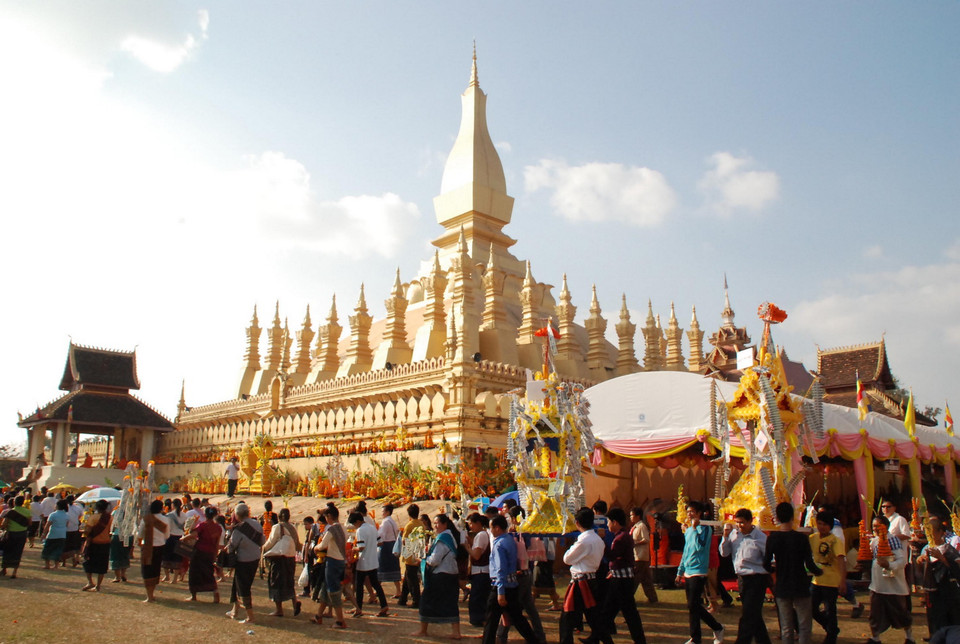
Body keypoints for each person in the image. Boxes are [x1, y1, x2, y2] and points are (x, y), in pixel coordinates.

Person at [584, 507, 647, 644]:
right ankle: (594, 638)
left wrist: (601, 541)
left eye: (609, 522)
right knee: (610, 613)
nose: (607, 525)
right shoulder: (623, 536)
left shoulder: (620, 538)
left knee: (625, 614)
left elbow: (612, 556)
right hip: (620, 579)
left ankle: (596, 638)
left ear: (615, 522)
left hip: (621, 582)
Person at [763, 501, 822, 644]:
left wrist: (773, 570)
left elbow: (765, 563)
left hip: (782, 584)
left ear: (777, 517)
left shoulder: (772, 538)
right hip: (800, 583)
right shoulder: (801, 538)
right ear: (792, 516)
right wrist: (820, 572)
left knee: (786, 626)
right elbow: (809, 563)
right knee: (804, 624)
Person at [482, 514, 539, 644]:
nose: (490, 531)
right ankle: (533, 640)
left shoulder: (499, 545)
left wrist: (500, 592)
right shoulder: (509, 540)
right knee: (518, 618)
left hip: (501, 586)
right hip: (512, 584)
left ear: (497, 528)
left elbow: (500, 569)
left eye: (491, 528)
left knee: (491, 620)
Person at [719, 508, 770, 644]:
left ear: (750, 521)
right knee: (753, 614)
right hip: (742, 578)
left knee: (748, 614)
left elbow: (770, 558)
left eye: (742, 523)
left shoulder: (760, 538)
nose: (739, 526)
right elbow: (724, 553)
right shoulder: (735, 535)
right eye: (737, 523)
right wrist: (725, 536)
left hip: (757, 578)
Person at [677, 501, 725, 644]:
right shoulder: (688, 530)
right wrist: (680, 571)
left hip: (699, 570)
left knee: (694, 604)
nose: (690, 514)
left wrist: (696, 529)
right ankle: (698, 636)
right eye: (688, 512)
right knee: (693, 606)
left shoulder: (705, 529)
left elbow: (700, 547)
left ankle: (714, 629)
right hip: (688, 570)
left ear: (699, 513)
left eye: (692, 511)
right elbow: (686, 551)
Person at [865, 513, 915, 644]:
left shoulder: (892, 540)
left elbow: (902, 560)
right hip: (877, 585)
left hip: (893, 586)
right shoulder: (874, 541)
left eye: (878, 526)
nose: (875, 528)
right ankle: (875, 638)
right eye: (873, 526)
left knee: (901, 614)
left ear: (886, 526)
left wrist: (889, 565)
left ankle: (909, 637)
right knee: (875, 614)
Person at [412, 513, 462, 639]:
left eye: (437, 523)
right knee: (450, 602)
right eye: (434, 523)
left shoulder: (443, 539)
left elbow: (434, 560)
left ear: (444, 524)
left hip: (441, 575)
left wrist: (422, 560)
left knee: (426, 601)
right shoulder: (450, 536)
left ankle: (423, 630)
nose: (435, 526)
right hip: (450, 574)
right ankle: (456, 632)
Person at [560, 507, 606, 644]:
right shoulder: (598, 539)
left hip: (581, 581)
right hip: (592, 578)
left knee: (567, 617)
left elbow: (567, 559)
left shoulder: (583, 541)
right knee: (593, 617)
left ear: (577, 522)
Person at [918, 517, 960, 638]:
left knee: (947, 618)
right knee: (933, 616)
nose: (930, 535)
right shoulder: (926, 548)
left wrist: (942, 558)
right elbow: (921, 569)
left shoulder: (948, 549)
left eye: (933, 532)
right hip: (932, 590)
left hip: (946, 591)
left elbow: (956, 569)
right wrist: (920, 561)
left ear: (941, 532)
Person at [809, 510, 846, 644]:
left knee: (830, 610)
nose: (822, 527)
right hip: (817, 580)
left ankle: (831, 637)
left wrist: (842, 581)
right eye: (819, 523)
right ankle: (831, 628)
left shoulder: (835, 541)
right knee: (811, 609)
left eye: (825, 524)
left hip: (832, 581)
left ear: (830, 525)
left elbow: (841, 560)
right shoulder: (813, 538)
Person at [226, 502, 264, 624]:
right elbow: (262, 540)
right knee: (237, 584)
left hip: (243, 560)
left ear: (237, 515)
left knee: (243, 587)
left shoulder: (239, 529)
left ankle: (250, 617)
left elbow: (232, 545)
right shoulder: (257, 525)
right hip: (255, 558)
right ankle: (234, 610)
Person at [311, 504, 348, 630]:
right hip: (340, 560)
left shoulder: (331, 529)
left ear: (330, 516)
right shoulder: (343, 528)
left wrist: (315, 547)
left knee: (333, 591)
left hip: (333, 561)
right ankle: (318, 615)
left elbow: (322, 545)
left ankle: (340, 620)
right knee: (326, 588)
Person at [262, 507, 302, 617]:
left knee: (275, 581)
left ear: (279, 517)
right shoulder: (293, 528)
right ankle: (295, 603)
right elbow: (297, 543)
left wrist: (263, 549)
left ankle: (279, 610)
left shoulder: (277, 527)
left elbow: (271, 541)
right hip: (291, 557)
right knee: (289, 581)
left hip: (279, 557)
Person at [351, 510, 390, 617]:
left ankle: (358, 608)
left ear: (358, 521)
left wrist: (353, 549)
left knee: (359, 586)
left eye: (354, 524)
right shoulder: (372, 527)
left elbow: (361, 547)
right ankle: (384, 605)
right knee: (376, 585)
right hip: (373, 561)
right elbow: (380, 542)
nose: (354, 526)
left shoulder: (360, 530)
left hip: (363, 562)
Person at [186, 506, 222, 603]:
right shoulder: (218, 528)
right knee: (209, 573)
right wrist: (215, 554)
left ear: (205, 515)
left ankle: (194, 595)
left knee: (194, 573)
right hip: (210, 553)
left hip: (199, 552)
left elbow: (193, 534)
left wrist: (184, 539)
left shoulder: (202, 525)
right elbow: (217, 543)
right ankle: (215, 593)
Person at [139, 499, 170, 603]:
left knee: (147, 570)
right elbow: (167, 535)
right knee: (155, 569)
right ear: (161, 508)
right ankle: (152, 593)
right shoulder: (165, 520)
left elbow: (140, 534)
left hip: (147, 547)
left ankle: (149, 596)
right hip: (160, 547)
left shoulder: (146, 519)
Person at [81, 499, 112, 591]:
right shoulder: (110, 517)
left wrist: (83, 532)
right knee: (102, 566)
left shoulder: (93, 518)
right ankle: (98, 585)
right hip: (105, 543)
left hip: (93, 544)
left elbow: (88, 531)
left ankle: (90, 582)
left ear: (97, 507)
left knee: (87, 563)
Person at [467, 512, 492, 627]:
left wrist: (467, 547)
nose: (470, 526)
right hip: (483, 571)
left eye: (471, 524)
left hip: (481, 571)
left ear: (478, 523)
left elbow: (476, 555)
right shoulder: (483, 534)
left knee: (478, 598)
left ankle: (479, 619)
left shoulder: (481, 535)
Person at [629, 506, 658, 604]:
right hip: (638, 555)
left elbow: (646, 539)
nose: (631, 517)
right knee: (646, 579)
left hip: (640, 556)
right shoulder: (635, 527)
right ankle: (653, 598)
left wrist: (635, 543)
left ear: (638, 516)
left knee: (635, 579)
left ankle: (628, 596)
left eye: (632, 515)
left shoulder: (642, 526)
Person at [0, 496, 32, 578]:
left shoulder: (11, 512)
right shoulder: (28, 511)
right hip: (22, 534)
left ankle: (4, 569)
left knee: (8, 551)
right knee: (18, 552)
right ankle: (14, 572)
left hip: (11, 534)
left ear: (14, 502)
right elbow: (29, 523)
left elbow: (4, 524)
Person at [399, 503, 423, 608]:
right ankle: (403, 598)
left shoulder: (409, 525)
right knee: (409, 576)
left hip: (409, 553)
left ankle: (416, 600)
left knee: (412, 579)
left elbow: (404, 541)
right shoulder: (421, 524)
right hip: (417, 551)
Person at [377, 503, 402, 598]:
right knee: (394, 567)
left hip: (386, 546)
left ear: (387, 512)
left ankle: (377, 589)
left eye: (383, 511)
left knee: (381, 568)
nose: (382, 513)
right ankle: (398, 590)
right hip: (393, 545)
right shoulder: (392, 521)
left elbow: (381, 535)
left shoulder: (385, 522)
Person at [162, 498, 186, 583]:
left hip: (170, 537)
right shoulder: (184, 515)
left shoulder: (169, 515)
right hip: (180, 537)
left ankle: (167, 576)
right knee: (177, 558)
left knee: (166, 557)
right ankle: (175, 578)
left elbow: (167, 528)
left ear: (173, 505)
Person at [41, 499, 69, 569]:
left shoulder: (53, 514)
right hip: (62, 535)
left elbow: (47, 525)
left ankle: (47, 565)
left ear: (57, 506)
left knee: (47, 549)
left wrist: (43, 534)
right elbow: (67, 525)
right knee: (58, 550)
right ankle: (56, 565)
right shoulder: (66, 515)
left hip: (53, 534)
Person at [110, 502, 132, 583]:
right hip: (127, 535)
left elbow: (112, 524)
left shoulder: (116, 512)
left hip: (117, 535)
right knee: (125, 555)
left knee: (115, 556)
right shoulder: (131, 512)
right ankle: (123, 574)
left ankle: (117, 576)